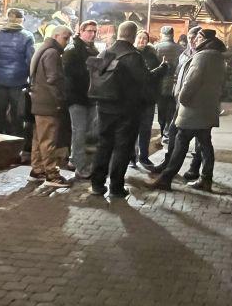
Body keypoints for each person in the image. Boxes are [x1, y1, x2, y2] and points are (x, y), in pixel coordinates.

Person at [90, 21, 164, 198]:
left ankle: (97, 184)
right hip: (127, 109)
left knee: (103, 145)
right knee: (122, 147)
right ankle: (116, 187)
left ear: (119, 33)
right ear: (132, 36)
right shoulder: (133, 56)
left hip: (104, 107)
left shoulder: (105, 52)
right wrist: (162, 69)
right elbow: (145, 79)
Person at [149, 29, 227, 192]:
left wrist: (182, 98)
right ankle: (206, 178)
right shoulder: (218, 56)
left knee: (181, 141)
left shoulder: (202, 56)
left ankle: (166, 178)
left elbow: (191, 81)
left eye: (198, 37)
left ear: (205, 40)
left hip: (193, 108)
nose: (196, 40)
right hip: (207, 108)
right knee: (205, 144)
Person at [148, 25, 203, 177]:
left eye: (195, 38)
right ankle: (169, 164)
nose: (192, 41)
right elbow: (179, 74)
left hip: (194, 102)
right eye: (190, 38)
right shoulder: (183, 53)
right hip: (179, 98)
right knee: (175, 132)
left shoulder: (201, 56)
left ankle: (195, 169)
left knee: (200, 139)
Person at [0, 8, 34, 147]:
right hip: (19, 83)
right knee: (17, 117)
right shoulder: (28, 37)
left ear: (7, 19)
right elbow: (31, 61)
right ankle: (16, 149)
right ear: (22, 20)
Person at [27, 25, 72, 187]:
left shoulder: (43, 49)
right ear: (56, 36)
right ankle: (52, 174)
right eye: (65, 38)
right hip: (48, 102)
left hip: (39, 100)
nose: (67, 42)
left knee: (39, 138)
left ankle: (37, 169)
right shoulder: (52, 53)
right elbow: (53, 80)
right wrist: (60, 100)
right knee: (48, 139)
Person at [63, 20, 98, 180]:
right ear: (81, 31)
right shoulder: (73, 50)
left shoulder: (93, 49)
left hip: (90, 97)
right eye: (89, 31)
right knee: (79, 131)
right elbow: (69, 74)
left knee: (86, 131)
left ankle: (75, 160)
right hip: (77, 97)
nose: (92, 34)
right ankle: (80, 166)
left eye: (94, 31)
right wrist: (89, 69)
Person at [131, 30, 163, 170]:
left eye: (145, 38)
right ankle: (131, 157)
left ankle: (143, 156)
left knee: (145, 129)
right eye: (140, 38)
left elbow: (155, 78)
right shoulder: (131, 54)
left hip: (148, 99)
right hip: (133, 99)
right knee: (132, 129)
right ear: (135, 38)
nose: (142, 41)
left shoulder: (152, 56)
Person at [153, 26, 182, 143]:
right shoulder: (180, 49)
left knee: (161, 110)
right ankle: (169, 133)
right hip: (175, 84)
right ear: (172, 34)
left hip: (160, 84)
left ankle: (162, 133)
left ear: (162, 34)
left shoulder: (156, 48)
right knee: (172, 111)